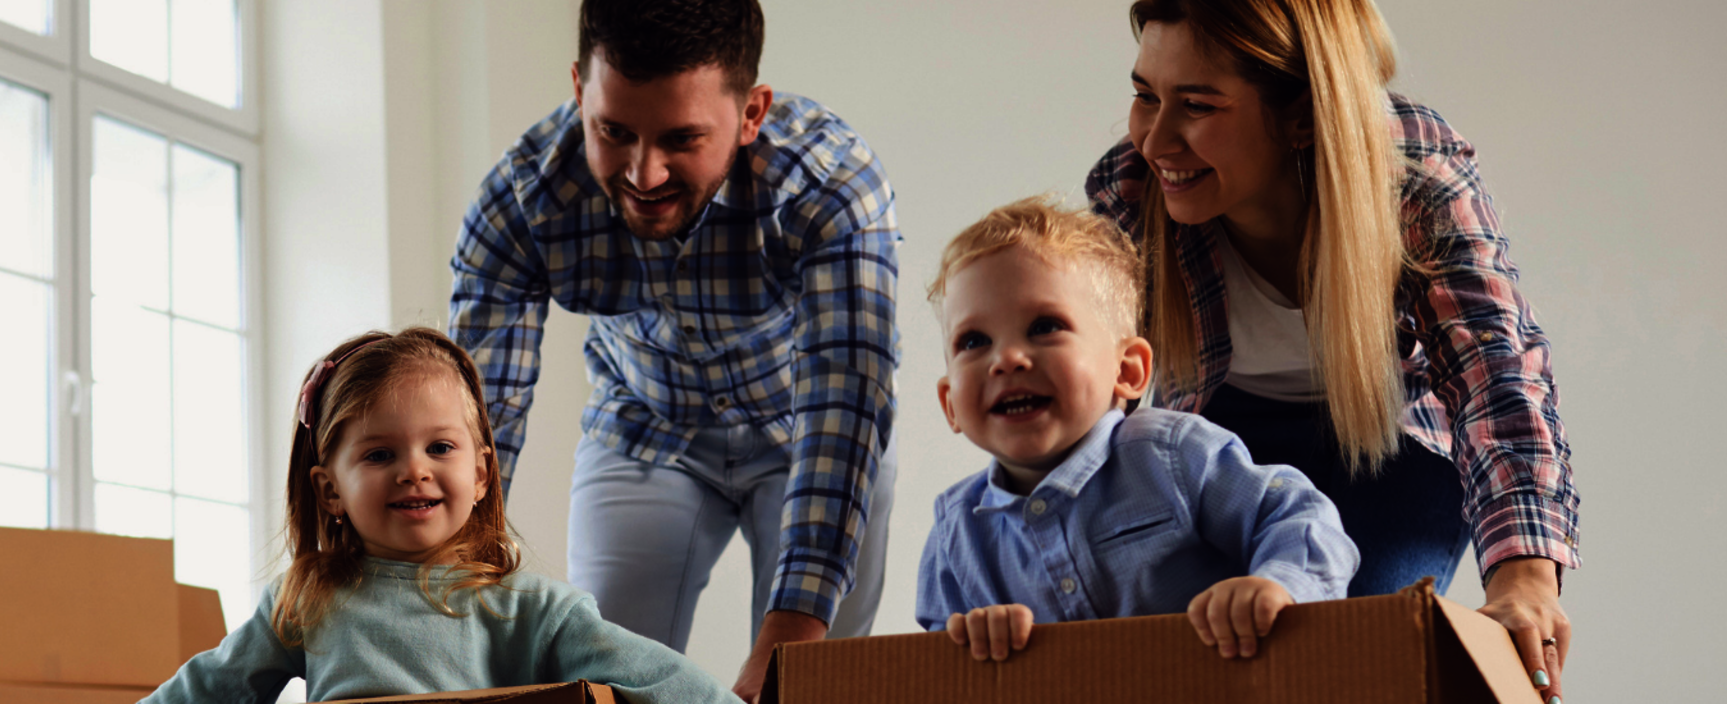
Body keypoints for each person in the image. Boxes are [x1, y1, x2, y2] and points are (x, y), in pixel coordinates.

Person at [1085, 1, 1581, 700]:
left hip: (1386, 446)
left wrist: (1525, 581)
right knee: (1194, 644)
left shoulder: (1413, 173)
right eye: (1145, 96)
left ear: (1301, 117)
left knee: (1342, 652)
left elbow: (1494, 375)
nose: (1155, 140)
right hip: (1220, 439)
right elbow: (1092, 403)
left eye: (1196, 105)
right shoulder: (1130, 190)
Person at [448, 0, 899, 698]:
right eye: (614, 131)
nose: (644, 174)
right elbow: (476, 425)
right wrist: (435, 605)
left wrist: (791, 633)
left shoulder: (832, 185)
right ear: (579, 89)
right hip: (644, 424)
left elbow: (847, 394)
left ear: (751, 113)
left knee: (808, 683)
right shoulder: (522, 198)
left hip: (810, 430)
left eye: (681, 139)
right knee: (599, 681)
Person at [142, 329, 741, 704]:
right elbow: (206, 689)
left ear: (481, 474)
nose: (414, 470)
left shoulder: (533, 610)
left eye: (440, 448)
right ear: (330, 492)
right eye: (379, 454)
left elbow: (660, 678)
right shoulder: (305, 601)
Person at [915, 196, 1358, 663]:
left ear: (1127, 370)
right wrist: (971, 642)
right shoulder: (955, 534)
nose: (1006, 359)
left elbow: (1298, 517)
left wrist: (1275, 585)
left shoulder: (1172, 456)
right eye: (974, 341)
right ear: (951, 406)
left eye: (1044, 326)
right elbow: (935, 662)